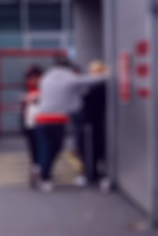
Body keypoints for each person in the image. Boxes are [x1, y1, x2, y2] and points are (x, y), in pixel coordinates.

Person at [32, 57, 107, 192]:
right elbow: (89, 80)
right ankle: (44, 177)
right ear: (68, 69)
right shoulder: (68, 77)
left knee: (45, 148)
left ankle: (40, 170)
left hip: (41, 118)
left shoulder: (46, 77)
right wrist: (111, 74)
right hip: (56, 120)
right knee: (54, 148)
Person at [72, 60, 109, 188]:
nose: (91, 74)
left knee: (91, 149)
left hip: (92, 123)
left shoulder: (99, 87)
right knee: (88, 148)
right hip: (91, 123)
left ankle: (91, 174)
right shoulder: (94, 86)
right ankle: (91, 173)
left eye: (94, 71)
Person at [20, 65, 44, 188]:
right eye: (30, 77)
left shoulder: (43, 88)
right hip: (30, 122)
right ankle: (36, 168)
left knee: (41, 146)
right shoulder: (27, 88)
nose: (32, 80)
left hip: (42, 121)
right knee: (34, 146)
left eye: (35, 77)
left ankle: (40, 168)